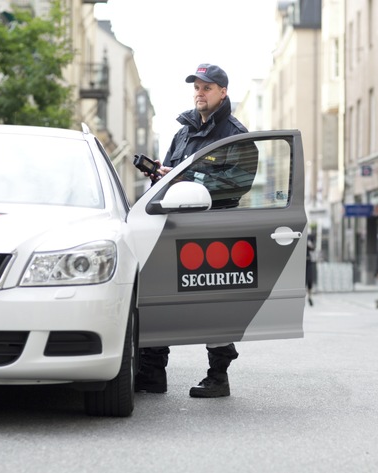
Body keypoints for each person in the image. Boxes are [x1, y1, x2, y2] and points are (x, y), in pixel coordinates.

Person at [136, 63, 248, 398]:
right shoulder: (183, 131)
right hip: (174, 225)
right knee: (158, 297)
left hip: (215, 227)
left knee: (213, 304)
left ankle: (218, 376)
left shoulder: (234, 134)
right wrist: (161, 174)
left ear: (222, 92)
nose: (199, 93)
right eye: (196, 87)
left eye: (207, 88)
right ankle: (153, 373)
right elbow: (172, 174)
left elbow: (237, 183)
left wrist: (190, 179)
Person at [306, 234, 316, 306]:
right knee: (302, 281)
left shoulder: (309, 238)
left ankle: (310, 297)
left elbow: (313, 248)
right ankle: (302, 298)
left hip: (309, 262)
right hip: (301, 263)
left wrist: (309, 244)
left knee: (310, 280)